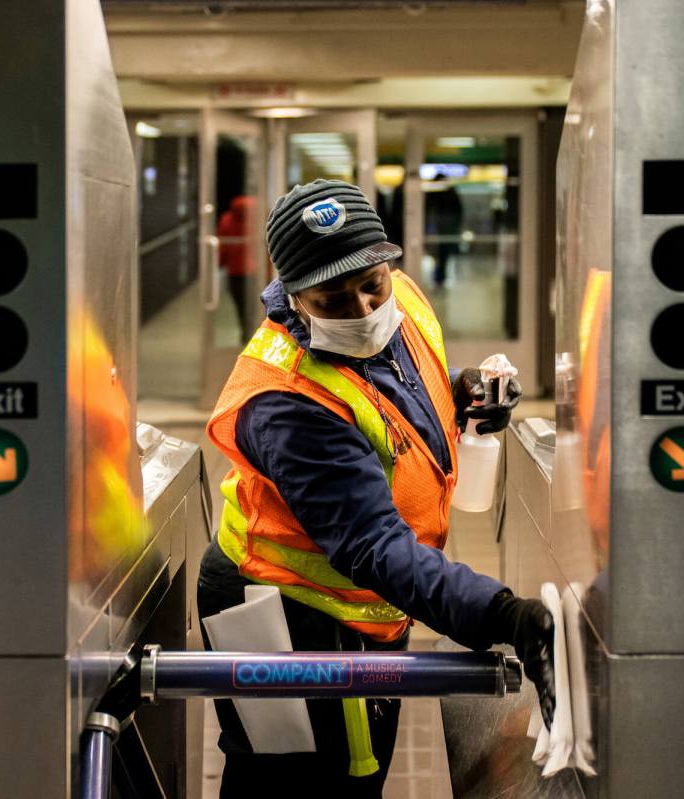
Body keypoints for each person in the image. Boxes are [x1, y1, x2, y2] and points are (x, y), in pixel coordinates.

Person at [200, 179, 554, 797]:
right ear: (294, 298)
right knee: (300, 783)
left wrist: (461, 390)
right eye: (333, 299)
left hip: (360, 601)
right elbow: (372, 545)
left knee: (356, 770)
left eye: (372, 285)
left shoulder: (403, 301)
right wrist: (503, 615)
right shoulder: (285, 401)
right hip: (286, 610)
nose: (363, 310)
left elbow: (394, 387)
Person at [217, 194, 259, 343]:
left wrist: (219, 264)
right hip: (257, 273)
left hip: (236, 273)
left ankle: (245, 338)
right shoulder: (260, 219)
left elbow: (223, 248)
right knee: (260, 309)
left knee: (241, 310)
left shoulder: (227, 219)